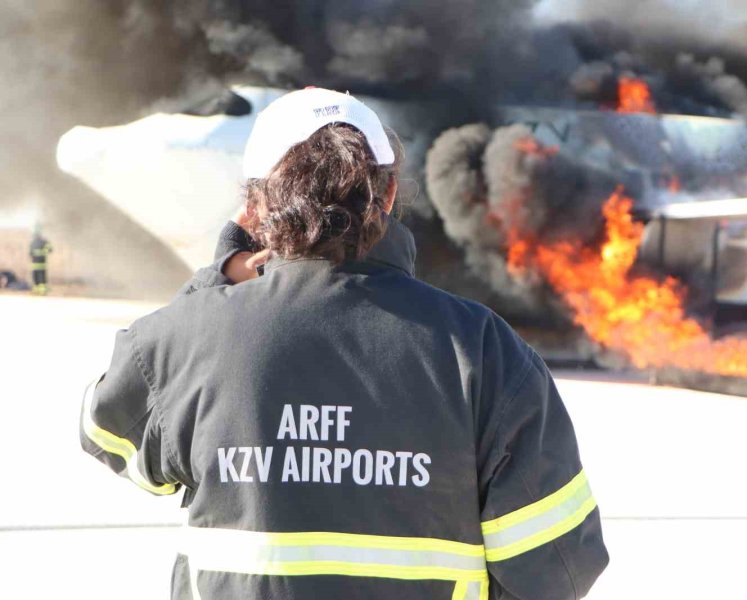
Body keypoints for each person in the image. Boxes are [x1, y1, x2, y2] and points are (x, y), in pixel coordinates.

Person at [79, 88, 608, 600]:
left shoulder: (189, 337)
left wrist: (212, 284)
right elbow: (556, 567)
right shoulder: (484, 350)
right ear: (391, 193)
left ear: (257, 206)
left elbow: (106, 433)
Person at [29, 224, 52, 295]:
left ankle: (42, 291)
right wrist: (43, 252)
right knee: (37, 278)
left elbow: (50, 249)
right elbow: (30, 253)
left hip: (39, 264)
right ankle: (37, 291)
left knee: (40, 278)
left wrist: (43, 252)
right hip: (37, 264)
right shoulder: (34, 242)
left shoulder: (40, 242)